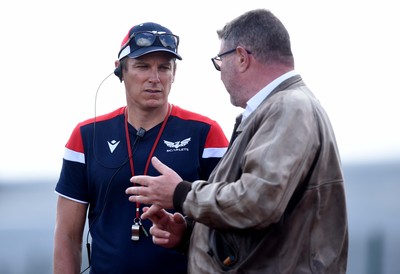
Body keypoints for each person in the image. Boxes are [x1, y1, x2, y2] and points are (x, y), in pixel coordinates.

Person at [126, 9, 349, 274]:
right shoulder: (278, 108)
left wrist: (180, 194)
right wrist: (188, 235)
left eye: (220, 60)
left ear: (241, 57)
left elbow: (258, 203)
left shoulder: (288, 109)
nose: (220, 72)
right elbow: (256, 224)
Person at [53, 21, 229, 274]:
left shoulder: (206, 133)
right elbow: (67, 237)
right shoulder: (86, 136)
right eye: (143, 66)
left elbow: (231, 219)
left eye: (164, 68)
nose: (155, 78)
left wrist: (186, 230)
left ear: (174, 74)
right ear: (120, 71)